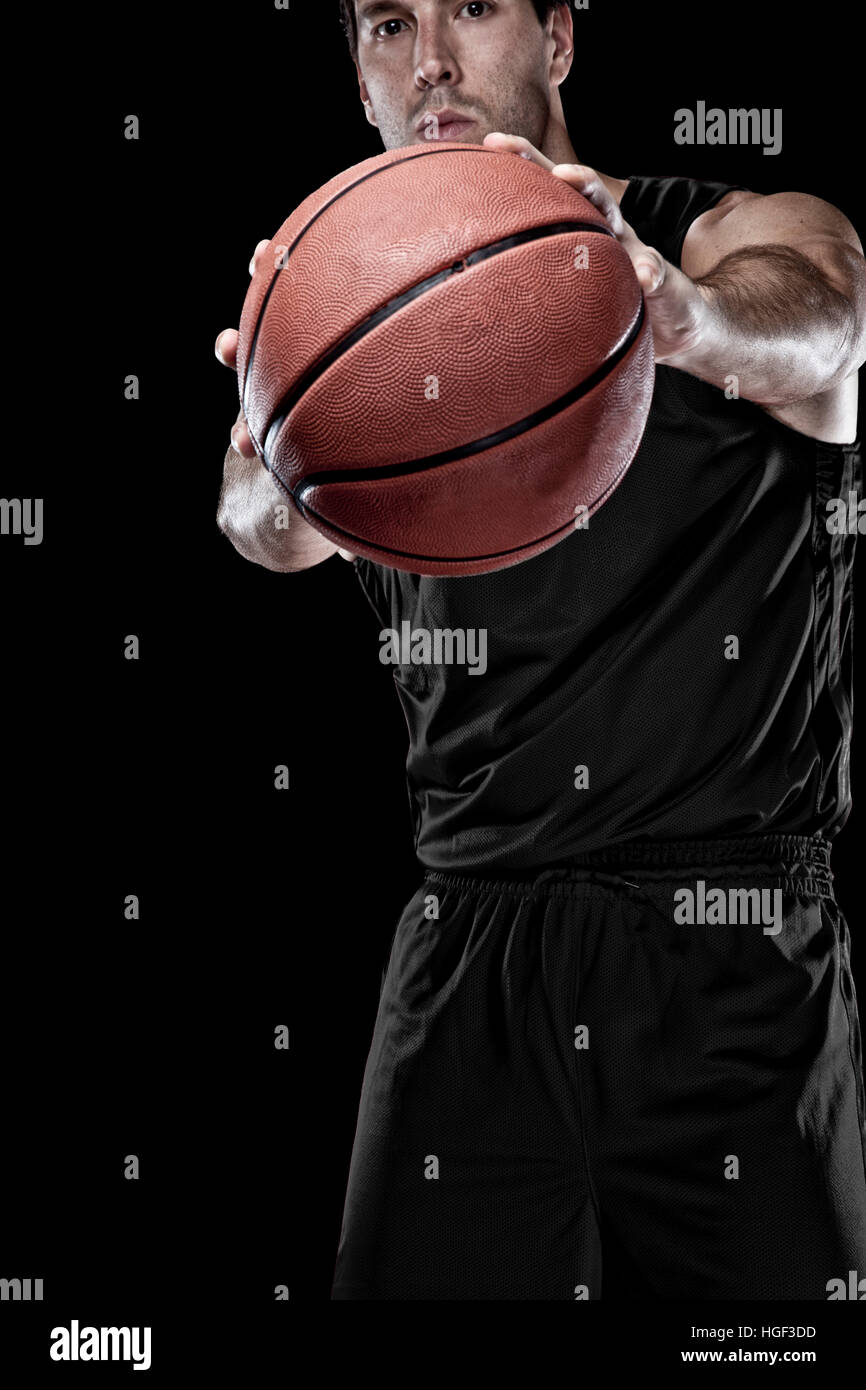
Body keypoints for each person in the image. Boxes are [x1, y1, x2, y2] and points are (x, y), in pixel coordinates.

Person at [215, 1, 866, 1299]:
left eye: (473, 9)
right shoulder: (347, 314)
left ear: (559, 43)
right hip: (471, 950)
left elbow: (826, 326)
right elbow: (256, 527)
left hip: (727, 947)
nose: (434, 59)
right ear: (359, 79)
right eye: (391, 24)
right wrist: (280, 439)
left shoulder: (726, 236)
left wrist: (680, 319)